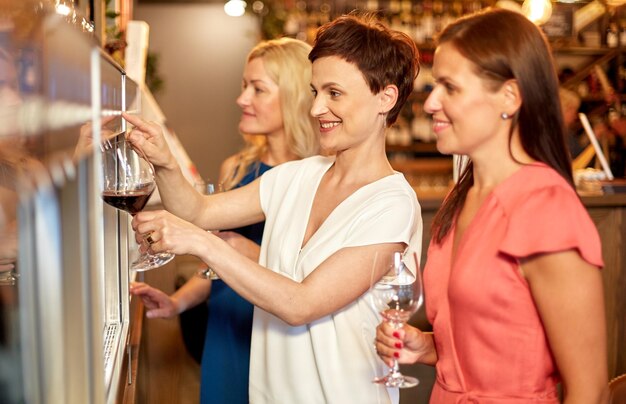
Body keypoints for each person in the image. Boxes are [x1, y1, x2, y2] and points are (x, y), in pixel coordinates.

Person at [124, 12, 421, 404]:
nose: (317, 109)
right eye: (315, 92)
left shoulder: (392, 204)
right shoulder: (297, 176)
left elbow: (302, 304)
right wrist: (164, 162)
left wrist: (204, 244)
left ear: (386, 97)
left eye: (335, 93)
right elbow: (199, 211)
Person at [375, 8, 608, 403]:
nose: (431, 103)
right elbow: (494, 334)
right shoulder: (461, 197)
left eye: (450, 87)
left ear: (510, 96)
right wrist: (429, 347)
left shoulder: (545, 207)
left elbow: (590, 391)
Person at [129, 37, 319, 404]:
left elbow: (317, 283)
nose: (242, 99)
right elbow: (213, 262)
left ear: (295, 96)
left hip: (274, 325)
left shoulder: (315, 178)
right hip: (224, 323)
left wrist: (251, 252)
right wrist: (177, 302)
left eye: (257, 89)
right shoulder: (239, 168)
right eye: (244, 86)